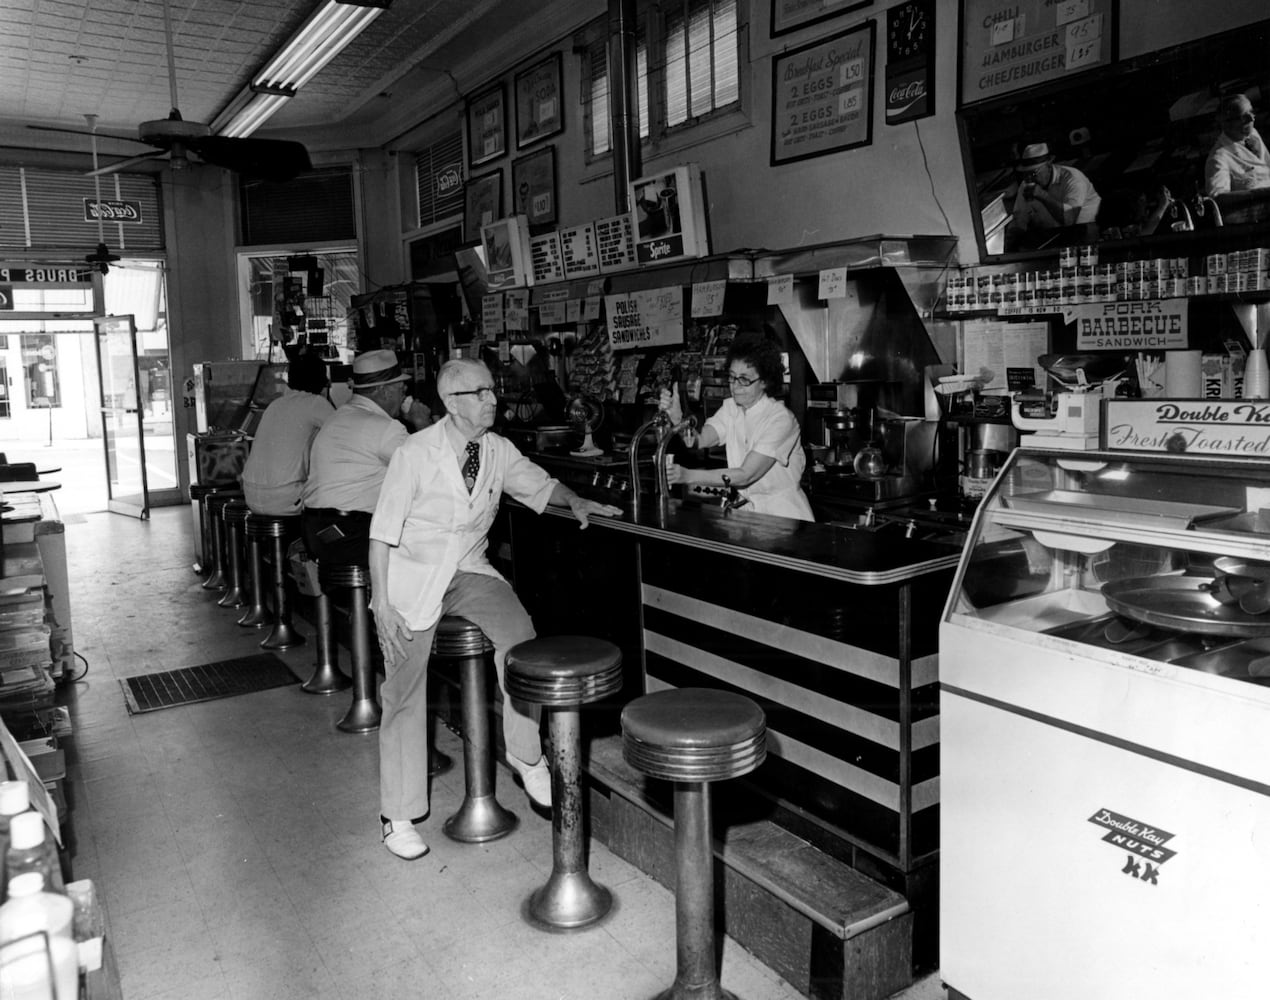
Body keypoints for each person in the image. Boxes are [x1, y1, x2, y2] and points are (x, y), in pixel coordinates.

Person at [367, 358, 622, 860]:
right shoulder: (414, 453)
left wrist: (576, 502)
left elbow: (540, 485)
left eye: (492, 392)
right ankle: (396, 815)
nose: (494, 400)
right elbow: (381, 533)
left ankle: (527, 755)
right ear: (453, 403)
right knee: (403, 690)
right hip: (411, 576)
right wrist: (381, 603)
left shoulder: (498, 450)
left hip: (468, 571)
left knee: (521, 641)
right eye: (482, 393)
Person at [660, 333, 814, 522]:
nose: (735, 386)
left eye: (744, 379)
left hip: (784, 517)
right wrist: (678, 419)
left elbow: (745, 475)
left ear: (764, 381)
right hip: (748, 516)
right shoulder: (731, 408)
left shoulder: (780, 419)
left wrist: (688, 475)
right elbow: (699, 440)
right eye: (732, 378)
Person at [301, 350, 431, 567]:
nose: (404, 394)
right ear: (384, 391)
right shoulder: (385, 428)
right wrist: (422, 422)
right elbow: (430, 470)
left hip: (315, 532)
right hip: (352, 536)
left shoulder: (337, 418)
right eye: (401, 389)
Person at [240, 349, 334, 515]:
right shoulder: (315, 403)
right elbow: (344, 431)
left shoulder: (275, 404)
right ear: (321, 380)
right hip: (285, 498)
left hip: (250, 495)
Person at [1008, 141, 1101, 242]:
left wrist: (1043, 196)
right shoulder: (1026, 184)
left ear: (1048, 166)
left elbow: (1069, 219)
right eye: (1026, 174)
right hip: (1055, 237)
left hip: (1088, 233)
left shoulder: (1072, 178)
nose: (1030, 178)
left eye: (1034, 173)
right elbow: (1019, 219)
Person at [1204, 94, 1270, 222]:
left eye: (1251, 112)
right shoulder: (1218, 158)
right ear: (1227, 123)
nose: (1251, 119)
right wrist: (1261, 194)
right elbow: (1217, 200)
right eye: (1243, 117)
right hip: (1256, 219)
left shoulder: (1252, 134)